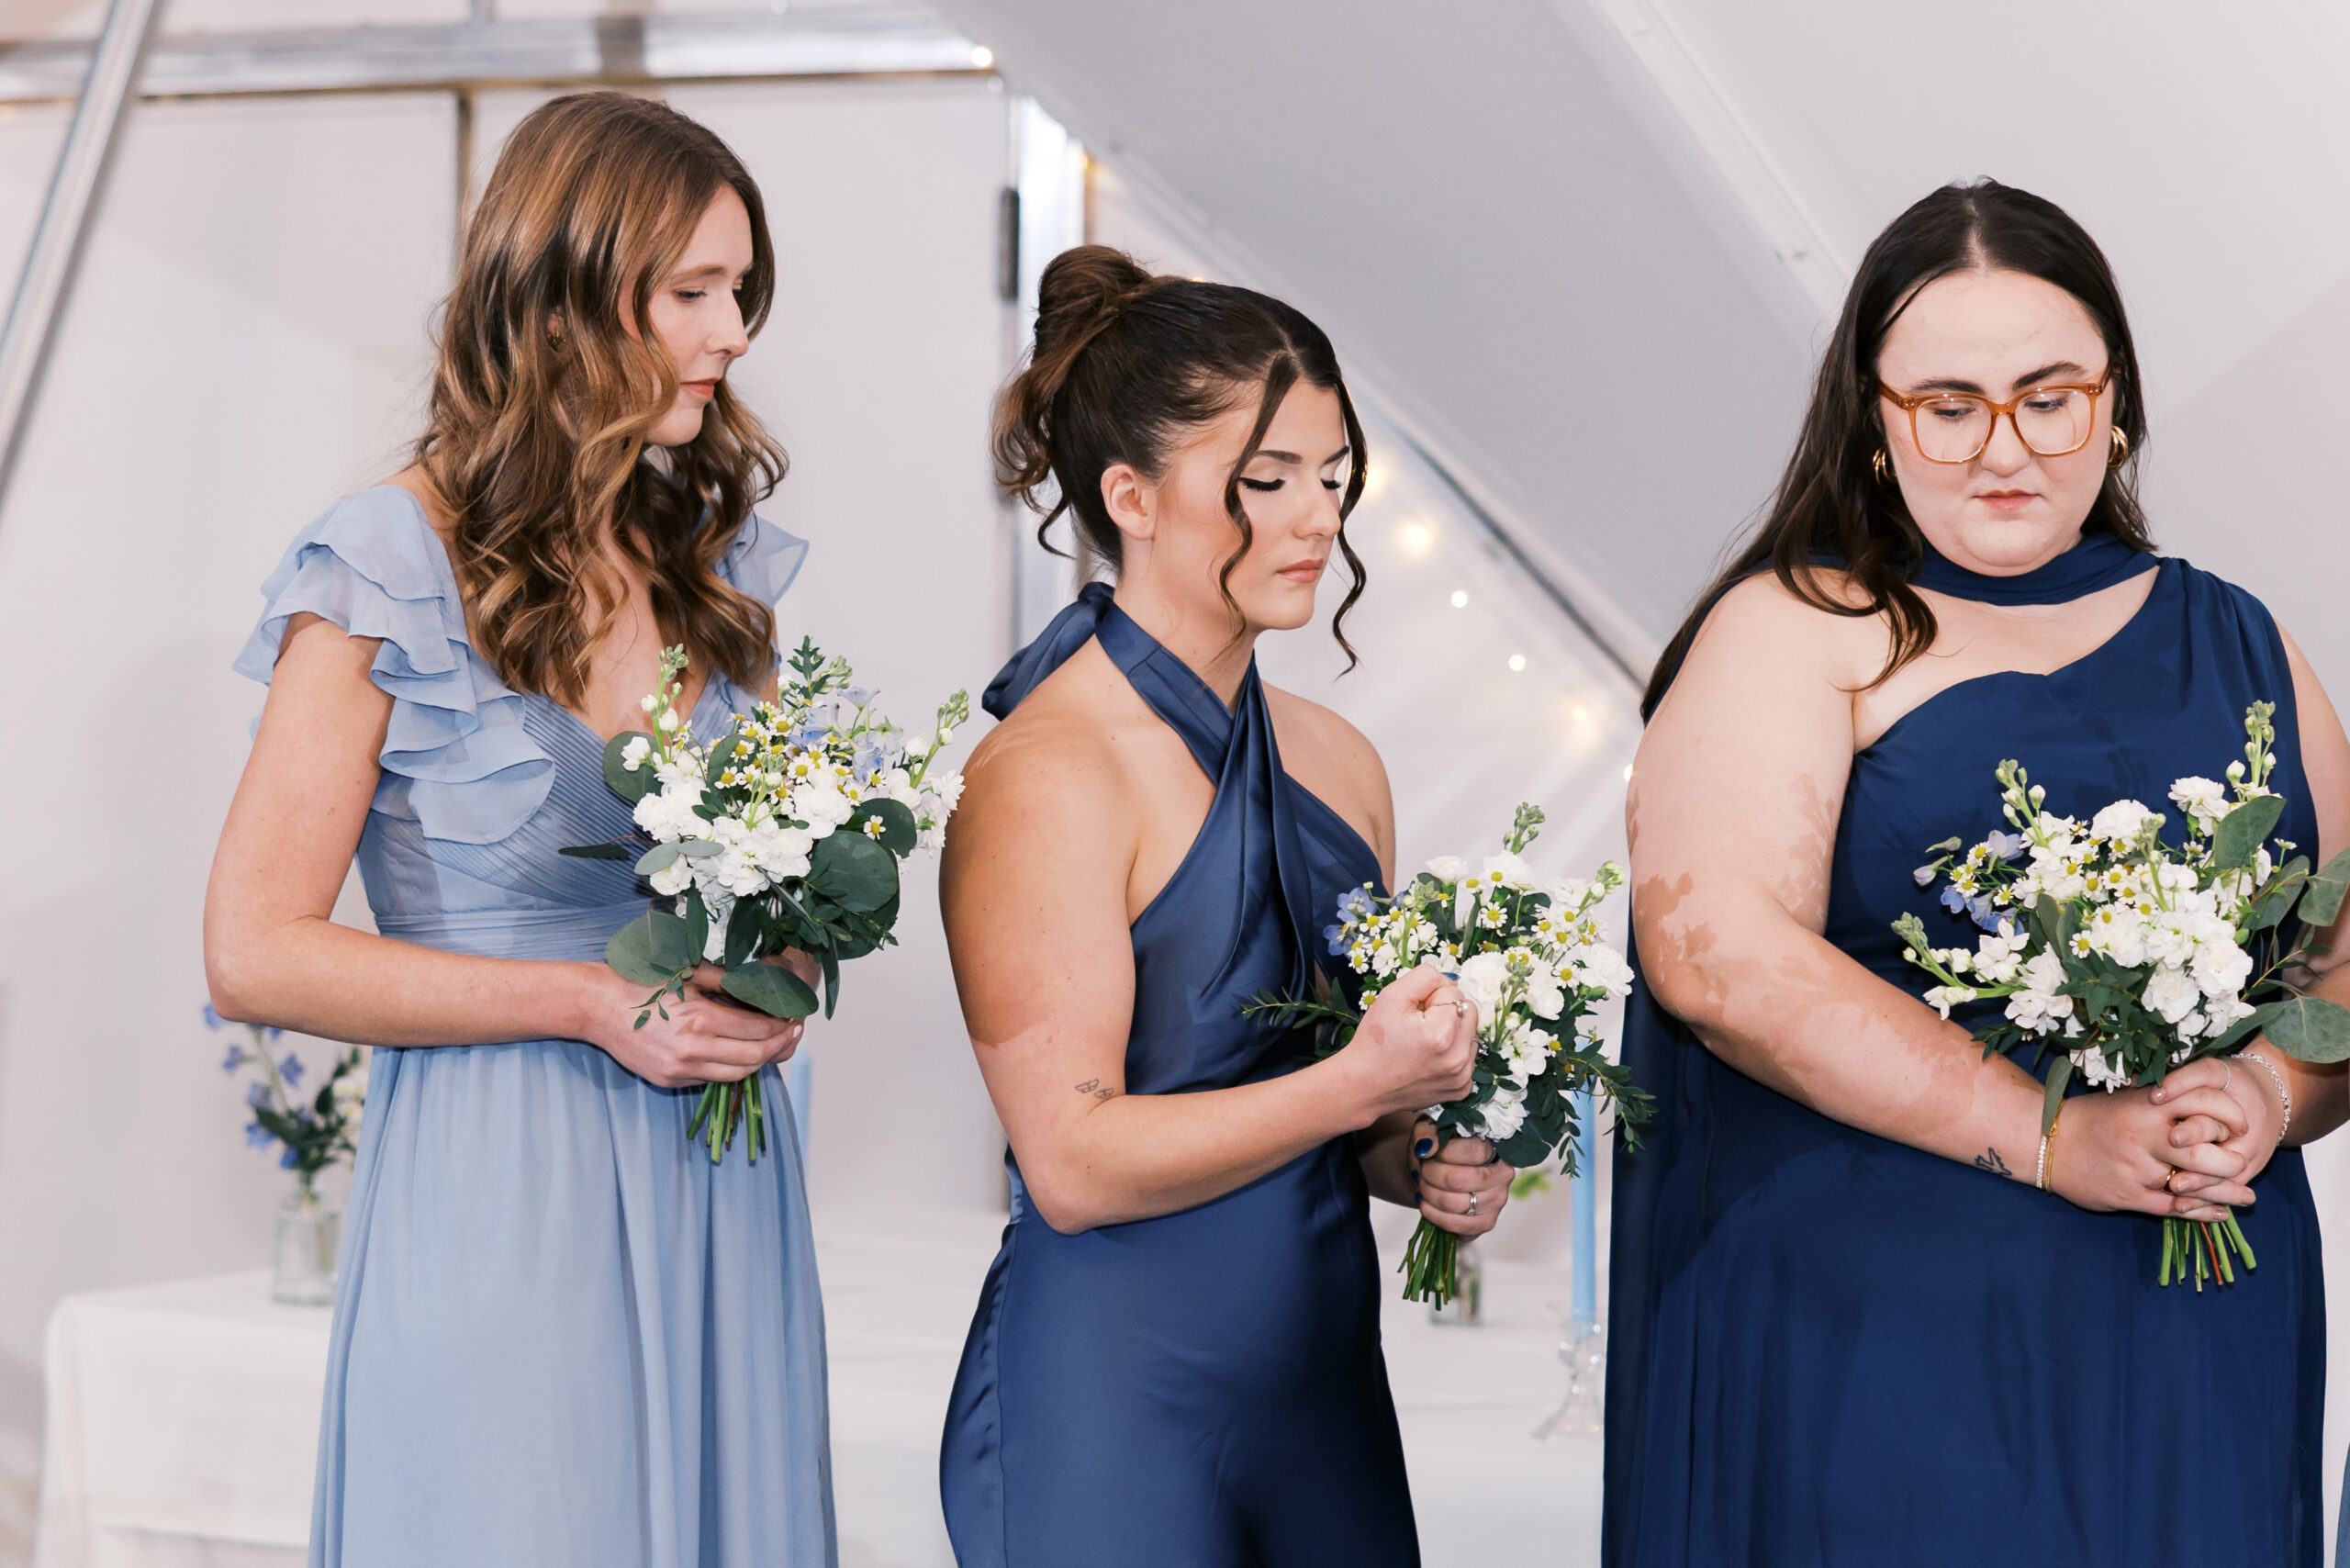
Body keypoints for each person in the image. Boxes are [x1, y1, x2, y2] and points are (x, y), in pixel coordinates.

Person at [1606, 178, 2350, 1565]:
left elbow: (2341, 963)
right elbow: (1718, 961)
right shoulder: (1798, 625)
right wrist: (2056, 1139)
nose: (2002, 448)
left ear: (2114, 404)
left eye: (2048, 397)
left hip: (2193, 1324)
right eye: (1948, 406)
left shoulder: (2243, 640)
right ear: (1875, 419)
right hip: (1884, 1335)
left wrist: (2266, 1090)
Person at [203, 94, 834, 1567]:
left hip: (723, 1189)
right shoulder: (385, 562)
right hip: (504, 1193)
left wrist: (789, 966)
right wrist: (588, 1001)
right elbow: (252, 951)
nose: (734, 332)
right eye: (693, 292)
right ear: (562, 297)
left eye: (741, 290)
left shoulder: (714, 568)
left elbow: (782, 892)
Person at [935, 246, 1516, 1566]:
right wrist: (1362, 1084)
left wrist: (1423, 1155)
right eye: (1268, 481)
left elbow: (1347, 1116)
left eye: (1333, 476)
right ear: (1130, 496)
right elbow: (1072, 1165)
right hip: (1117, 1400)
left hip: (1322, 1394)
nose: (1317, 519)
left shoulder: (1340, 762)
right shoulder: (1046, 776)